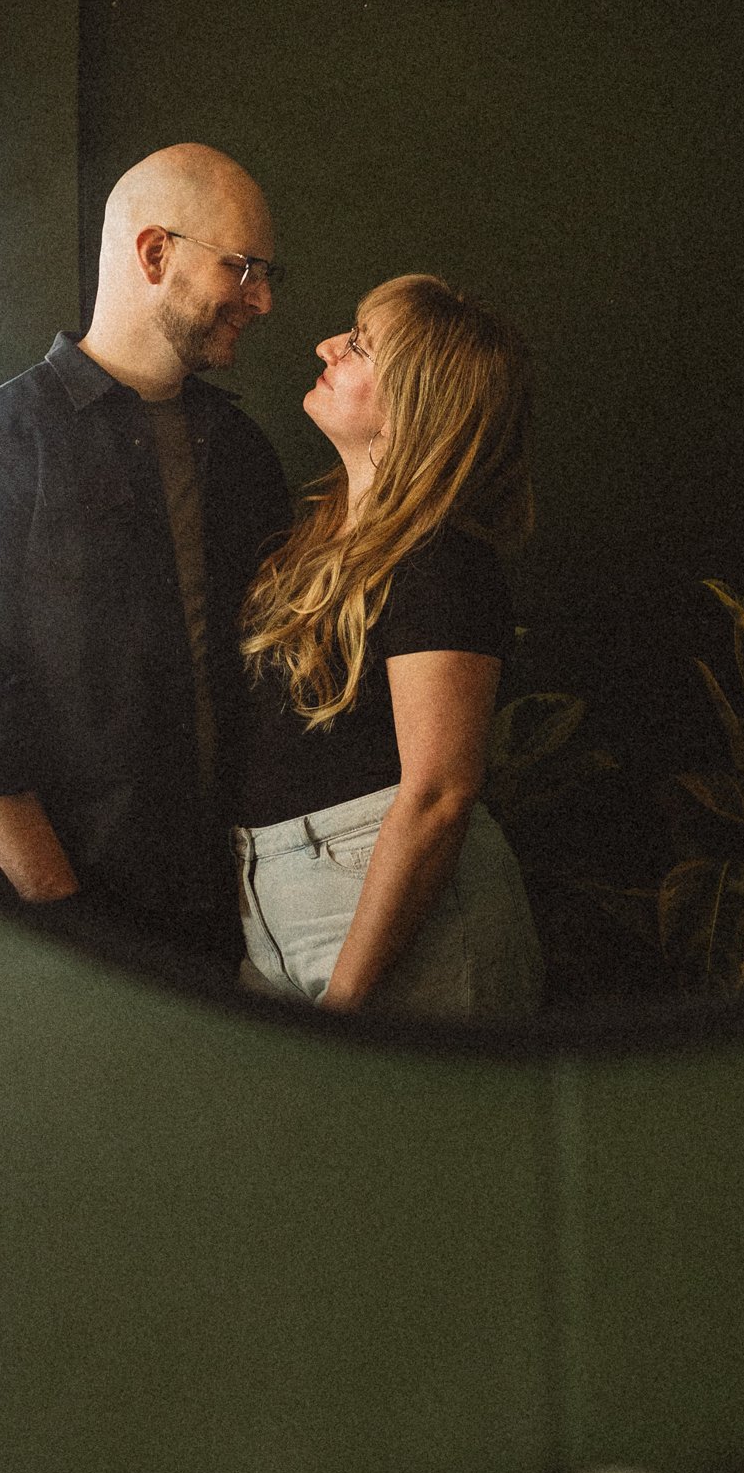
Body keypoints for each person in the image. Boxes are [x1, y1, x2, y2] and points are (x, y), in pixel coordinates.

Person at [0, 142, 291, 969]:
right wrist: (70, 921)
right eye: (244, 268)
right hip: (67, 933)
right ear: (156, 254)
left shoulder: (242, 451)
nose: (261, 300)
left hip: (244, 916)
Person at [233, 273, 544, 1017]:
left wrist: (347, 999)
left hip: (409, 936)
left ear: (412, 407)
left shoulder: (444, 564)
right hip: (281, 916)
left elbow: (439, 795)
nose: (327, 347)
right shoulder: (321, 538)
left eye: (360, 346)